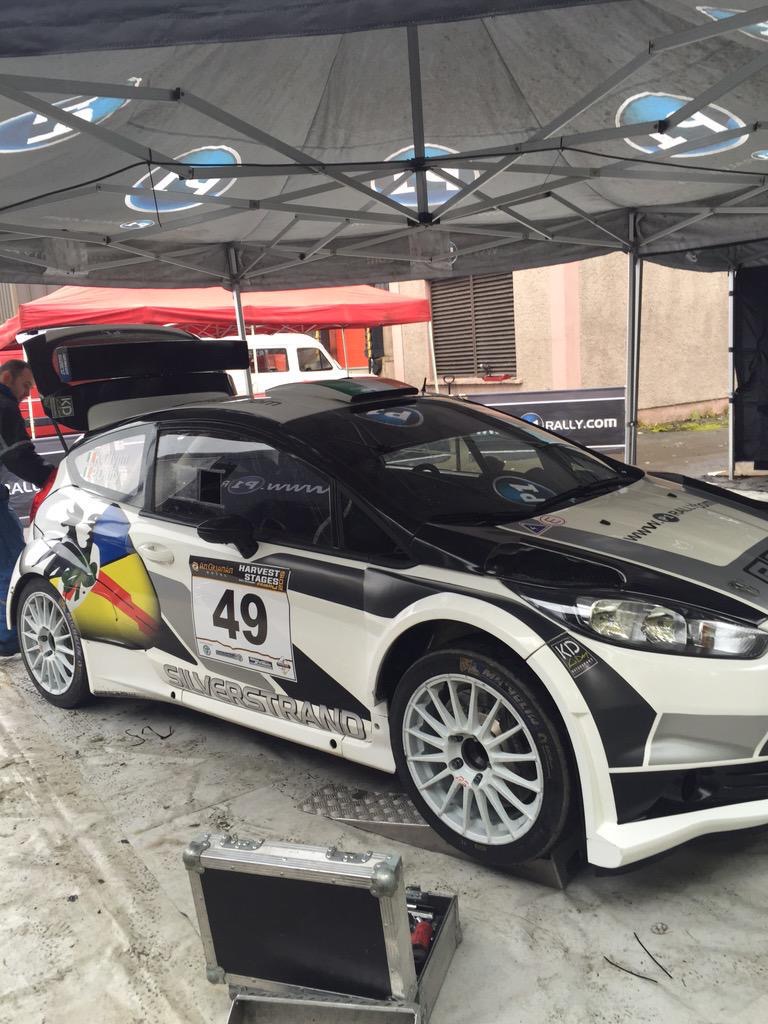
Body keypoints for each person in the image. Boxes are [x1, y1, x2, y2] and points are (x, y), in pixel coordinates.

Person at [0, 360, 54, 656]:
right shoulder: (4, 406)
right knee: (11, 562)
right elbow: (18, 456)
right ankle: (8, 639)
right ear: (7, 377)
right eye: (25, 386)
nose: (27, 393)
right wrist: (52, 478)